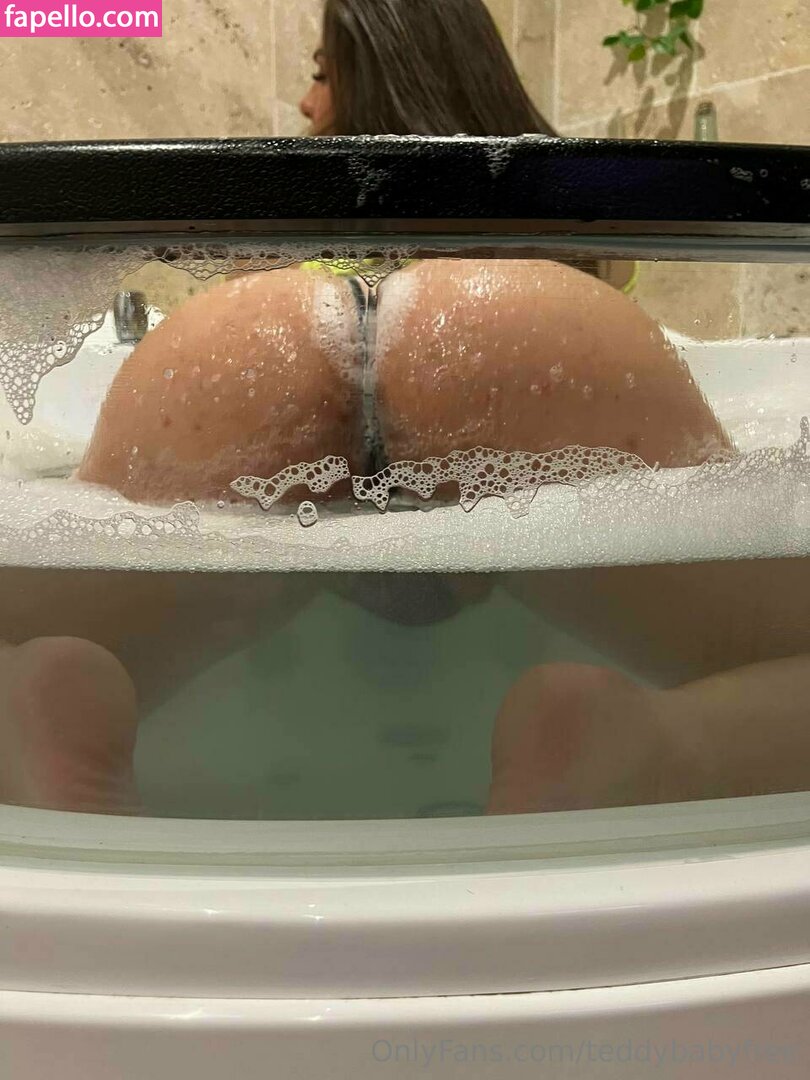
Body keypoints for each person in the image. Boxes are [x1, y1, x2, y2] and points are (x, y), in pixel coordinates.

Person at [1, 0, 807, 818]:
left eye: (323, 73)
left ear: (382, 72)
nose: (308, 102)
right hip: (524, 323)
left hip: (255, 338)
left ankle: (37, 702)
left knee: (11, 644)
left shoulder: (281, 249)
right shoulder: (571, 222)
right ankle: (671, 748)